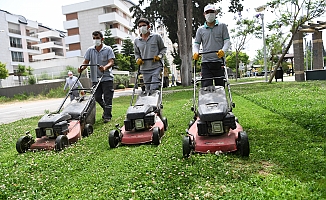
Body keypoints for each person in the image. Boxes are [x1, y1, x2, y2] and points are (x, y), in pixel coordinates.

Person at [78, 31, 115, 123]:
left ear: (102, 39)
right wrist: (81, 68)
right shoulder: (90, 50)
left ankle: (107, 116)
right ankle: (106, 110)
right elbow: (86, 62)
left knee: (108, 97)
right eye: (94, 38)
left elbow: (111, 61)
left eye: (97, 38)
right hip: (95, 78)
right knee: (97, 97)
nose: (95, 40)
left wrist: (105, 67)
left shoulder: (108, 49)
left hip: (106, 77)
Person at [193, 4, 231, 87]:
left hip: (219, 62)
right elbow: (196, 44)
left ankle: (220, 100)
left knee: (220, 87)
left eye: (212, 12)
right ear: (204, 14)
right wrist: (195, 52)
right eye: (207, 12)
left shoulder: (222, 26)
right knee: (206, 86)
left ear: (215, 13)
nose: (209, 14)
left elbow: (227, 41)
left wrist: (223, 51)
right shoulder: (200, 30)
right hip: (206, 63)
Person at [134, 18, 167, 92]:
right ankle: (150, 103)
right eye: (140, 26)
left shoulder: (156, 37)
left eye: (144, 25)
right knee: (147, 89)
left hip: (156, 66)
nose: (141, 27)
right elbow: (136, 53)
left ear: (149, 26)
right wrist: (137, 59)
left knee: (153, 88)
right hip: (144, 68)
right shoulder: (137, 40)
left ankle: (155, 102)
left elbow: (163, 49)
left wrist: (159, 56)